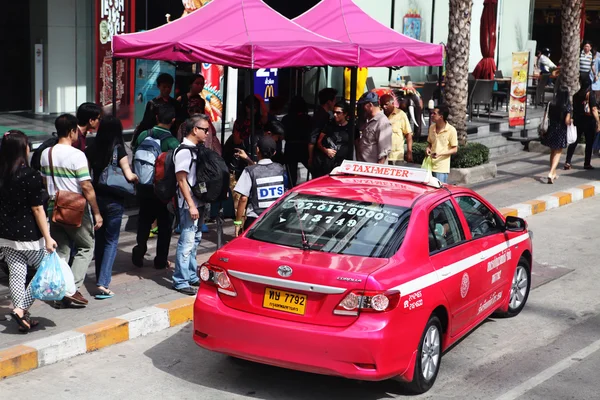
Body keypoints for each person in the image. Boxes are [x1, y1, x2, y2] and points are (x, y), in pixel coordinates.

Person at [40, 114, 103, 306]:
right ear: (71, 131)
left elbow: (45, 182)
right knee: (86, 246)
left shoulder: (46, 153)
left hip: (54, 206)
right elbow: (86, 187)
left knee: (62, 249)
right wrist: (97, 212)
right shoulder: (77, 155)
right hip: (75, 208)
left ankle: (59, 292)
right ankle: (71, 288)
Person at [0, 131, 57, 332]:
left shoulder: (2, 174)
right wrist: (48, 237)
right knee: (44, 273)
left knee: (17, 274)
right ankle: (21, 309)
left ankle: (23, 316)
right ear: (21, 149)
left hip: (6, 234)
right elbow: (37, 209)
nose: (30, 147)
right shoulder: (29, 175)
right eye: (27, 144)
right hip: (29, 236)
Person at [85, 116, 138, 299]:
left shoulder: (91, 149)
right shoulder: (119, 149)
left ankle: (101, 276)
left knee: (100, 240)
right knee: (111, 241)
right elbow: (129, 175)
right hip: (114, 200)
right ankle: (103, 283)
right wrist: (136, 179)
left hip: (96, 200)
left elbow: (87, 176)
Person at [132, 104, 180, 269]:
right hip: (162, 190)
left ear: (157, 117)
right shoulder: (172, 141)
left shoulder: (144, 134)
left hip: (143, 185)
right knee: (165, 224)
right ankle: (160, 260)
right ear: (173, 121)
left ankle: (140, 249)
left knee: (144, 220)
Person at [172, 114, 210, 295]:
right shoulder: (184, 151)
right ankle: (180, 280)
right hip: (189, 204)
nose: (207, 134)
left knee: (195, 240)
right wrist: (191, 205)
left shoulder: (195, 149)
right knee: (187, 241)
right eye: (205, 130)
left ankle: (191, 275)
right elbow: (181, 180)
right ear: (195, 129)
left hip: (198, 201)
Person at [233, 136, 286, 237]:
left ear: (257, 150)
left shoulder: (249, 171)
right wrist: (248, 160)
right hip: (276, 218)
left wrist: (238, 223)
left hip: (255, 220)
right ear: (274, 153)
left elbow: (243, 198)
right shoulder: (280, 169)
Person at [132, 73, 182, 145]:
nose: (167, 89)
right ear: (158, 86)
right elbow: (145, 123)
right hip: (155, 137)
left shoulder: (175, 103)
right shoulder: (152, 104)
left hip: (171, 136)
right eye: (164, 87)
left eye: (169, 87)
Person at [565, 75, 600, 170]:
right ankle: (587, 163)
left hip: (578, 120)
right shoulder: (590, 94)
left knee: (574, 141)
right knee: (589, 142)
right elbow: (593, 109)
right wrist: (598, 121)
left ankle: (568, 161)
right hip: (589, 121)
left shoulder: (576, 94)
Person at [312, 102, 352, 178]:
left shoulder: (351, 128)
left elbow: (357, 145)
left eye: (338, 113)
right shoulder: (329, 125)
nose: (335, 115)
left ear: (345, 114)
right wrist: (326, 151)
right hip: (328, 164)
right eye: (334, 112)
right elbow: (319, 142)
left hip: (343, 163)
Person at [541, 87, 571, 183]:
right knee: (558, 152)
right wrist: (571, 121)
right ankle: (550, 172)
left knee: (552, 151)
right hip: (561, 130)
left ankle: (553, 173)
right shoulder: (567, 105)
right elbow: (566, 121)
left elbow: (545, 116)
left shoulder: (550, 103)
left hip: (551, 129)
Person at [282, 96, 311, 187]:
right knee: (311, 168)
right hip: (303, 146)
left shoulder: (286, 119)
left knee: (291, 174)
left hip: (291, 146)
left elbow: (284, 134)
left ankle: (292, 188)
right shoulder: (308, 119)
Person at [356, 92, 392, 164]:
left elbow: (383, 153)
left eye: (363, 105)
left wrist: (377, 170)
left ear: (370, 105)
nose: (362, 108)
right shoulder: (367, 119)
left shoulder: (382, 122)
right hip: (362, 166)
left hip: (373, 168)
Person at [426, 104, 458, 183]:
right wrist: (428, 148)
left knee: (440, 192)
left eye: (434, 113)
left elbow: (454, 149)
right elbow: (430, 143)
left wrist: (440, 154)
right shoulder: (431, 127)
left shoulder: (451, 130)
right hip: (429, 166)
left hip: (441, 169)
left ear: (441, 116)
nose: (432, 115)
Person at [308, 88, 337, 169]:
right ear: (328, 102)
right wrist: (310, 157)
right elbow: (312, 139)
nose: (335, 103)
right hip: (319, 155)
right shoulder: (321, 116)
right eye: (334, 101)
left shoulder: (323, 114)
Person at [380, 93, 413, 165]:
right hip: (382, 156)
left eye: (386, 104)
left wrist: (409, 151)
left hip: (397, 156)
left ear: (392, 103)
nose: (384, 107)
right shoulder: (380, 116)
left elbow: (408, 134)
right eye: (382, 105)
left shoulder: (401, 115)